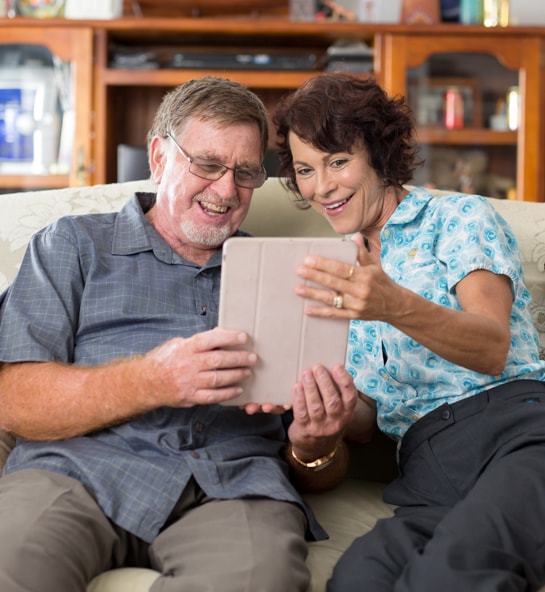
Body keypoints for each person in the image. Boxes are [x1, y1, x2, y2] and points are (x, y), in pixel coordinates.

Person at [0, 76, 357, 592]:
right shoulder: (71, 245)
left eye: (246, 173)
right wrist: (151, 381)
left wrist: (316, 445)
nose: (226, 190)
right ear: (159, 156)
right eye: (208, 165)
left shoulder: (296, 273)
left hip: (233, 488)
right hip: (75, 472)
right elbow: (15, 402)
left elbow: (319, 471)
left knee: (263, 580)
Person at [272, 71, 545, 592]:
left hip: (516, 434)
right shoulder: (329, 271)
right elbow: (370, 418)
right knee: (356, 579)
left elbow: (492, 346)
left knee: (451, 574)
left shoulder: (459, 217)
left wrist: (392, 303)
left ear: (376, 151)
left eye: (337, 161)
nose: (321, 186)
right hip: (425, 464)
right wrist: (323, 407)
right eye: (305, 170)